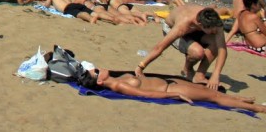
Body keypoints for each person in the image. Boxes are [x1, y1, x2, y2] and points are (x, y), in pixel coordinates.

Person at [80, 68, 266, 114]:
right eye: (96, 71)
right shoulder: (118, 85)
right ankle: (258, 108)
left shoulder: (114, 78)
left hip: (169, 82)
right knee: (214, 96)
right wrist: (174, 95)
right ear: (100, 80)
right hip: (170, 88)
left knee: (208, 90)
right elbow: (147, 94)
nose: (98, 67)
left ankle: (241, 99)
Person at [137, 5, 226, 89]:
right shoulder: (183, 24)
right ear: (200, 24)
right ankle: (187, 70)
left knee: (215, 43)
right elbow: (160, 47)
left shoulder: (215, 21)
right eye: (212, 30)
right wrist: (141, 67)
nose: (215, 31)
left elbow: (222, 48)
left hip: (196, 31)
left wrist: (216, 74)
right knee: (197, 52)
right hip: (171, 28)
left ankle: (199, 75)